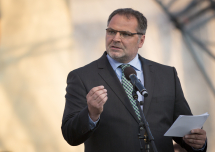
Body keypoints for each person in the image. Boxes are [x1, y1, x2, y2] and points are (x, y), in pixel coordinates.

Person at [61, 8, 207, 152]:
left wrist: (197, 143)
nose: (116, 38)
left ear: (141, 40)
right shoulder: (82, 77)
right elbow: (70, 135)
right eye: (111, 31)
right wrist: (91, 114)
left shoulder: (167, 74)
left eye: (125, 34)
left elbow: (184, 131)